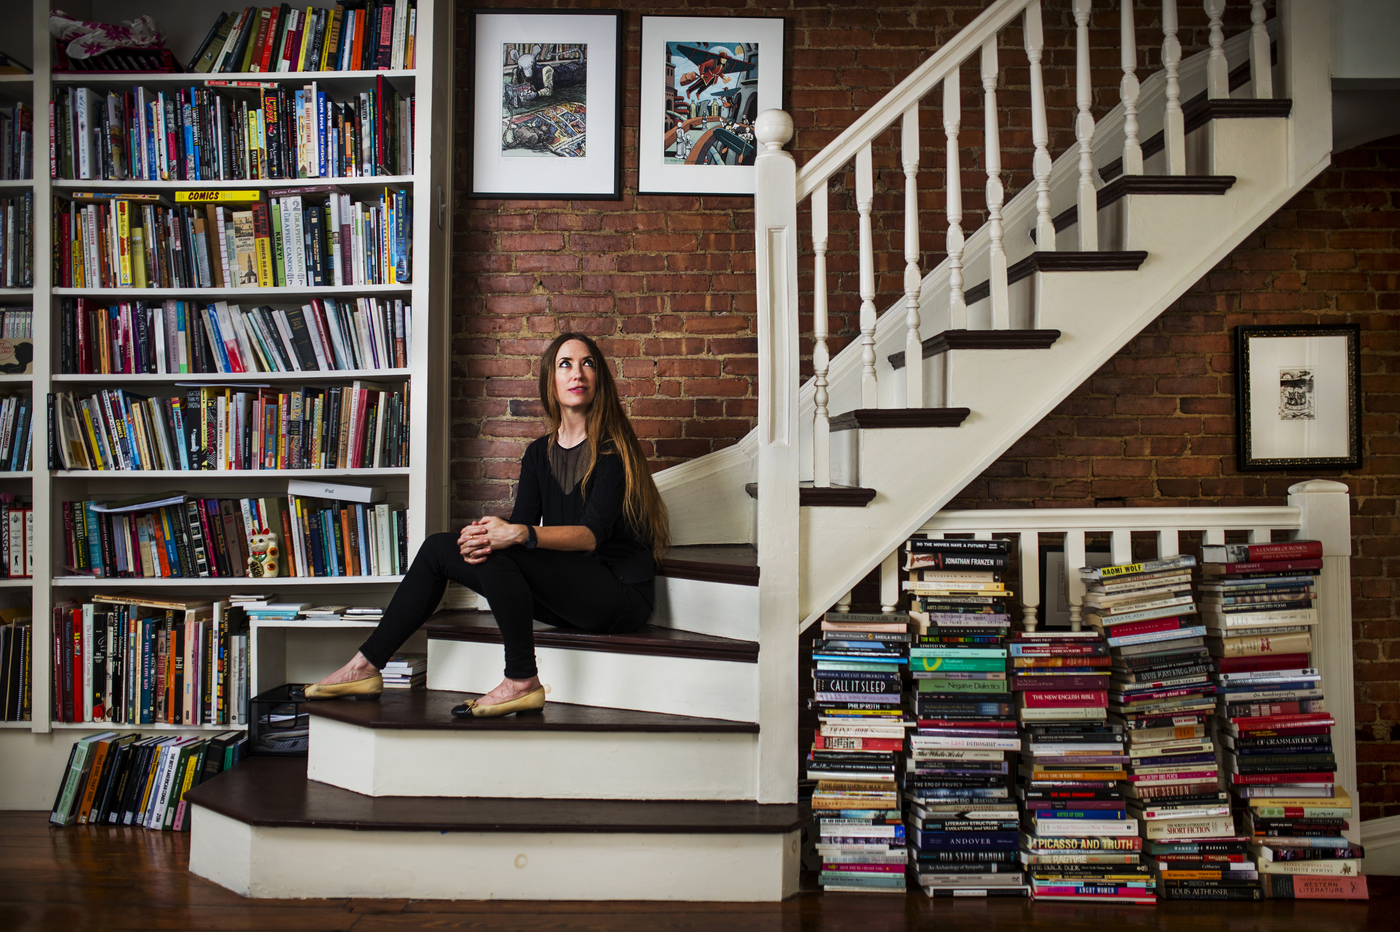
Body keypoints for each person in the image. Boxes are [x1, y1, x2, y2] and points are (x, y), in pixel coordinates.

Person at [304, 333, 671, 717]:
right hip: (570, 590)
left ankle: (520, 680)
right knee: (438, 549)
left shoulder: (613, 451)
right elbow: (521, 534)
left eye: (588, 363)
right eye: (565, 364)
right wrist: (484, 536)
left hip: (617, 595)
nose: (577, 373)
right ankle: (365, 666)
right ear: (551, 379)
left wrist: (516, 533)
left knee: (506, 544)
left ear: (599, 380)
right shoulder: (537, 455)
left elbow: (590, 536)